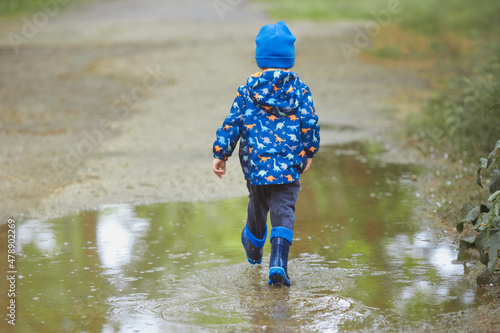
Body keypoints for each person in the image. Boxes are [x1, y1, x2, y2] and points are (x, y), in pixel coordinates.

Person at [212, 21, 320, 286]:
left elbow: (232, 122)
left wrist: (221, 153)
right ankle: (279, 263)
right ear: (290, 59)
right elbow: (310, 122)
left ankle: (253, 245)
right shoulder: (300, 89)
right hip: (288, 166)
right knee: (284, 209)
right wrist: (309, 151)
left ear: (260, 59)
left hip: (256, 166)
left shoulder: (248, 90)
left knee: (258, 205)